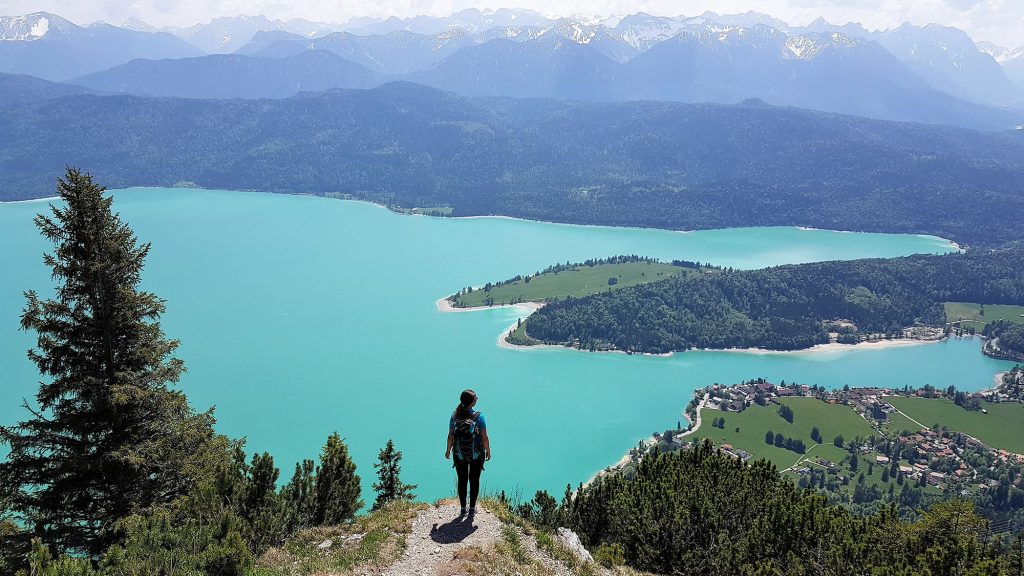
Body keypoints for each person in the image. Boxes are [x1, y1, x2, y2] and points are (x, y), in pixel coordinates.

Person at [446, 388, 490, 515]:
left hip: (459, 454)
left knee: (462, 480)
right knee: (474, 480)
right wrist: (488, 451)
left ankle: (462, 508)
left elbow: (450, 436)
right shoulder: (479, 417)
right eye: (475, 398)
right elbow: (484, 437)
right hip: (476, 454)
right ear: (472, 402)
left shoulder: (454, 416)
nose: (477, 399)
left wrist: (448, 450)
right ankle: (472, 509)